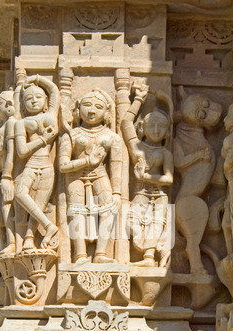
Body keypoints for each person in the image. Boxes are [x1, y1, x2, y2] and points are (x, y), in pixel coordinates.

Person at [59, 89, 123, 264]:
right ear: (78, 109)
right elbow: (63, 165)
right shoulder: (71, 135)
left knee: (109, 208)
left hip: (101, 175)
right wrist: (88, 161)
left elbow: (117, 165)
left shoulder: (112, 137)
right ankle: (79, 255)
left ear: (107, 112)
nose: (92, 110)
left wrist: (117, 192)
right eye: (87, 105)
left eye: (98, 107)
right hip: (75, 177)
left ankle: (100, 253)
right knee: (76, 211)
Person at [121, 84, 173, 267]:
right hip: (140, 193)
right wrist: (138, 100)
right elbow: (125, 123)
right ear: (142, 128)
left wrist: (145, 178)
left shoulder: (165, 153)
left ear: (167, 131)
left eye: (161, 127)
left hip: (158, 195)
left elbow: (168, 179)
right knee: (131, 219)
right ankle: (144, 253)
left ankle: (149, 258)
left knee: (155, 224)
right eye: (152, 125)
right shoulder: (137, 147)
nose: (156, 130)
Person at [14, 74, 60, 251]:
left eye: (38, 97)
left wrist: (38, 78)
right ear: (23, 104)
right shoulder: (22, 123)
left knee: (39, 202)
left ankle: (29, 237)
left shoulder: (50, 114)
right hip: (32, 163)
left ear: (46, 100)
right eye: (28, 98)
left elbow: (55, 90)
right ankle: (49, 225)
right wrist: (44, 140)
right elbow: (22, 151)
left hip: (47, 165)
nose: (34, 101)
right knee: (20, 193)